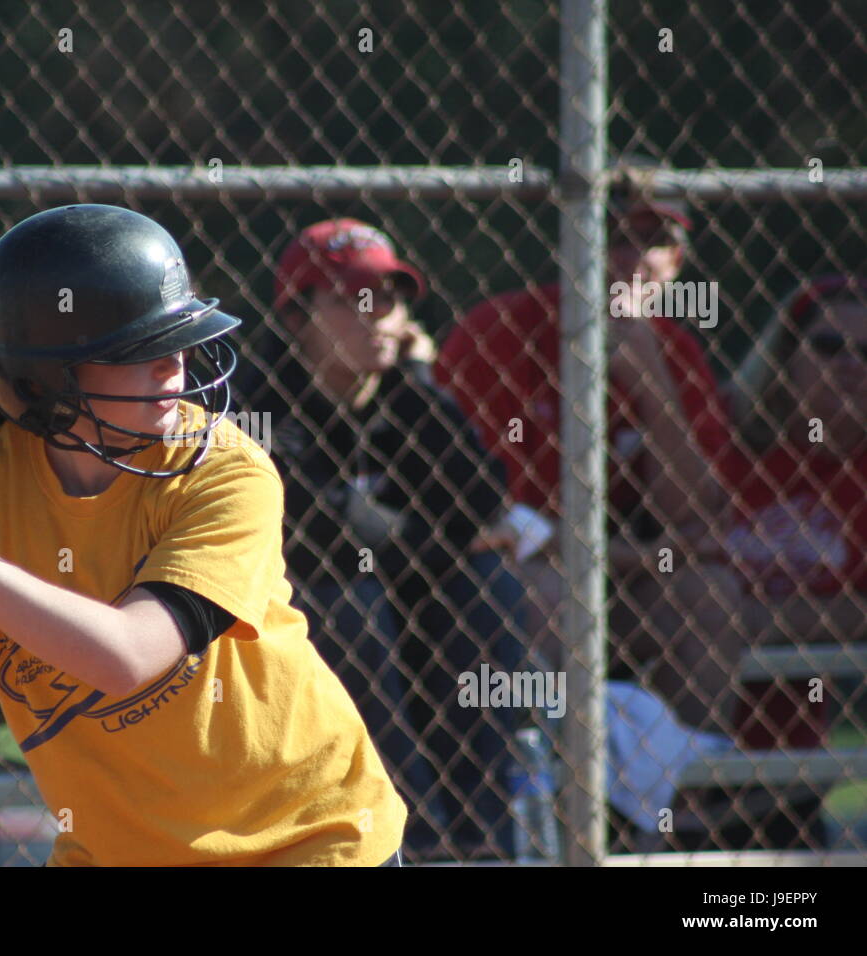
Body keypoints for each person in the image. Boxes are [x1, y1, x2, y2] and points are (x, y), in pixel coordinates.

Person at [0, 204, 408, 866]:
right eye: (139, 351)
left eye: (178, 339)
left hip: (300, 838)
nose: (174, 365)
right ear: (46, 378)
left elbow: (125, 658)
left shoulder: (224, 470)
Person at [250, 218, 527, 861]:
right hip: (304, 613)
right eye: (350, 301)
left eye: (390, 299)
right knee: (355, 605)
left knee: (482, 594)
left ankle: (484, 843)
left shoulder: (405, 393)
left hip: (406, 599)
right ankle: (414, 843)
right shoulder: (262, 401)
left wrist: (423, 382)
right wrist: (442, 543)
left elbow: (482, 498)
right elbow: (323, 529)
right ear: (297, 318)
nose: (376, 316)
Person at [434, 192, 745, 737]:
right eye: (615, 237)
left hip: (624, 581)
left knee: (709, 594)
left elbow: (694, 515)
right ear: (575, 243)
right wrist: (642, 556)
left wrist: (653, 387)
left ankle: (683, 800)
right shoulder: (500, 330)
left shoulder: (675, 353)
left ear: (677, 264)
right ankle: (550, 791)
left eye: (655, 242)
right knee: (546, 591)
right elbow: (501, 520)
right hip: (520, 573)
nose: (633, 257)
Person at [725, 274, 867, 749]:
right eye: (829, 346)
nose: (850, 364)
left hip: (793, 749)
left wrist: (738, 620)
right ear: (785, 355)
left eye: (865, 352)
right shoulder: (721, 432)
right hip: (678, 730)